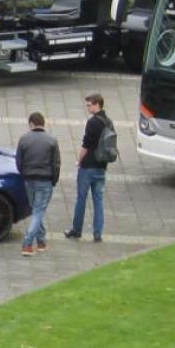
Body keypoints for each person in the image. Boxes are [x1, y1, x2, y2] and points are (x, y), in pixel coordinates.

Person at [67, 91, 112, 243]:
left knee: (81, 198)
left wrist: (79, 161)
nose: (88, 108)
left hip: (88, 167)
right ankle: (97, 233)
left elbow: (86, 145)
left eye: (89, 105)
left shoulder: (92, 122)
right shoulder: (108, 122)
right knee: (98, 201)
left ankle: (76, 230)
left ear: (97, 105)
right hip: (101, 166)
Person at [15, 111, 61, 255]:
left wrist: (23, 174)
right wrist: (54, 179)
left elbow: (18, 161)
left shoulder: (23, 139)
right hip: (45, 180)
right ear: (43, 123)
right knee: (38, 211)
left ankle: (41, 242)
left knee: (36, 210)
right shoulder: (52, 140)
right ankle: (27, 244)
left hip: (29, 179)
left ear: (31, 124)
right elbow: (56, 163)